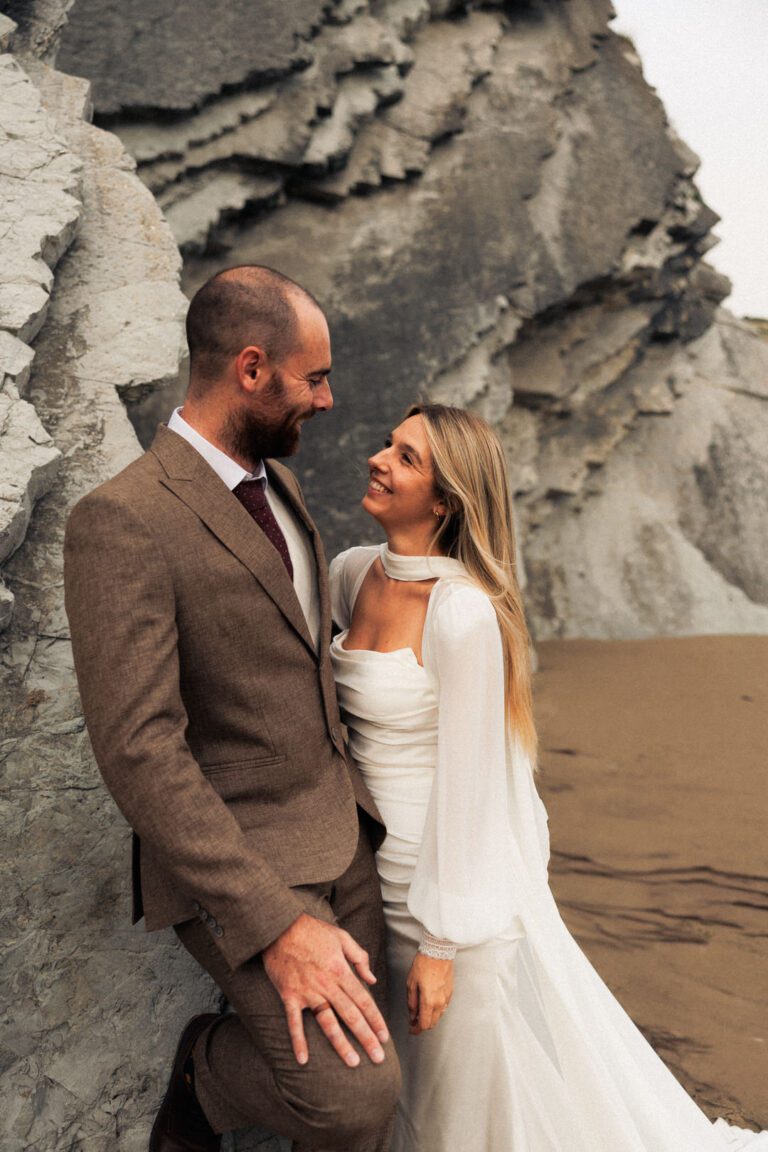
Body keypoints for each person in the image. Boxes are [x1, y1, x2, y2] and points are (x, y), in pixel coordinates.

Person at [328, 402, 767, 1151]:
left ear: (444, 500)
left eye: (406, 457)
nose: (379, 458)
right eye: (387, 442)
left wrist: (441, 946)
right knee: (393, 1093)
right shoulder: (349, 574)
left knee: (453, 1112)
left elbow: (475, 789)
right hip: (359, 882)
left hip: (443, 897)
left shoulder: (464, 615)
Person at [63, 265, 400, 1152]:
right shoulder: (122, 521)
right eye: (314, 377)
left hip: (344, 833)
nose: (328, 401)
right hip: (243, 864)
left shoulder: (278, 487)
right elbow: (139, 750)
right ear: (252, 369)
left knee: (386, 1077)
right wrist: (276, 921)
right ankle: (206, 1072)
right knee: (351, 1096)